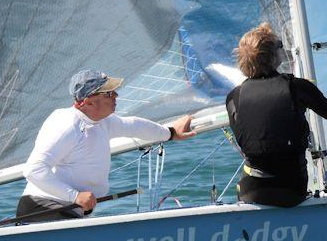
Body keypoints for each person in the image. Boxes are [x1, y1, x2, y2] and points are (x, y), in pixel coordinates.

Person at [226, 23, 327, 207]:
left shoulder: (233, 97)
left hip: (252, 192)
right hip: (290, 191)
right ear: (272, 56)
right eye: (280, 45)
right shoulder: (297, 87)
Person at [18, 69, 196, 222]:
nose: (116, 96)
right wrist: (75, 196)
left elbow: (134, 126)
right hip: (42, 208)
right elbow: (33, 170)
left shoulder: (102, 122)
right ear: (88, 102)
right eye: (109, 93)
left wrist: (171, 133)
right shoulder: (67, 125)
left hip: (69, 212)